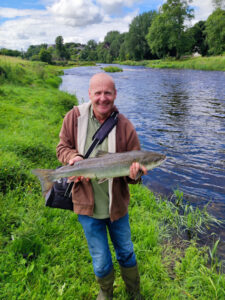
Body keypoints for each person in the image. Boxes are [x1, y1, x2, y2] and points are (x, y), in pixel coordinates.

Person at [56, 73, 147, 299]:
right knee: (101, 259)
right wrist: (73, 157)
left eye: (108, 93)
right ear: (90, 94)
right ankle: (105, 292)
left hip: (116, 207)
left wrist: (135, 175)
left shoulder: (126, 127)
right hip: (87, 206)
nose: (103, 98)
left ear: (115, 94)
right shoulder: (74, 117)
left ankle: (134, 291)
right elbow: (62, 148)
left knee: (126, 252)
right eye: (98, 93)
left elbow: (132, 177)